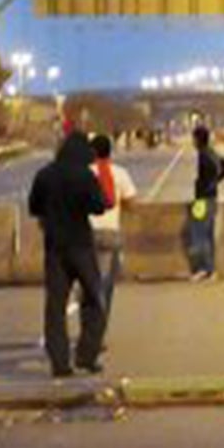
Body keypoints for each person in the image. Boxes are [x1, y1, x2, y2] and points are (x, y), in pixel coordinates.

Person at [27, 128, 109, 376]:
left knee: (55, 307)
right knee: (94, 300)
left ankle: (60, 362)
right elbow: (99, 206)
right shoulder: (85, 176)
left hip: (54, 247)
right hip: (81, 245)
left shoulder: (45, 175)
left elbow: (34, 207)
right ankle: (86, 355)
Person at [90, 132, 138, 324]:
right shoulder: (119, 173)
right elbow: (132, 203)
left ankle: (88, 323)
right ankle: (99, 326)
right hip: (110, 234)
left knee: (88, 281)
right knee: (105, 284)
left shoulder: (83, 172)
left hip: (86, 235)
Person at [184, 123, 224, 279]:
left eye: (194, 138)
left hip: (202, 200)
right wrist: (216, 180)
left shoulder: (203, 155)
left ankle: (203, 269)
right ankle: (212, 270)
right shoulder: (212, 152)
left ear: (198, 139)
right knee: (209, 234)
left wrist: (207, 183)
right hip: (212, 197)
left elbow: (212, 171)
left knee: (199, 233)